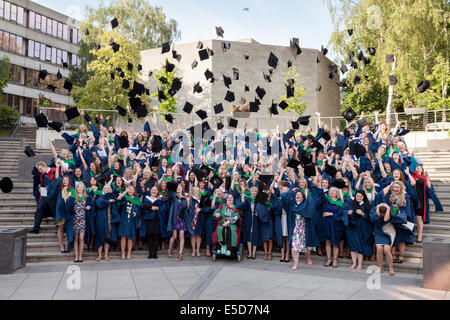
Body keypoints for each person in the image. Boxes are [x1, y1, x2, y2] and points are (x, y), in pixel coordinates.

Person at [346, 191, 374, 270]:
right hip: (352, 227)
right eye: (357, 196)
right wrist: (348, 213)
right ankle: (354, 263)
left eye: (360, 196)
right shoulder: (352, 203)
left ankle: (360, 264)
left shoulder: (367, 205)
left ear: (363, 197)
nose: (358, 198)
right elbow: (344, 212)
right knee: (353, 245)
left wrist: (363, 214)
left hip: (362, 227)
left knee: (360, 246)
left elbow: (371, 218)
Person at [141, 186, 166, 259]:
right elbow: (143, 206)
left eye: (155, 190)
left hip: (157, 219)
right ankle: (150, 252)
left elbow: (164, 207)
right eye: (153, 190)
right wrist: (151, 207)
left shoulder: (161, 199)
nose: (154, 191)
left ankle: (155, 253)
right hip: (148, 220)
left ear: (158, 191)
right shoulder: (146, 199)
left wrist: (157, 208)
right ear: (150, 191)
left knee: (156, 236)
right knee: (149, 236)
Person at [117, 186, 141, 260]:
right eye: (129, 189)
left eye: (132, 189)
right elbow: (118, 198)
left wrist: (135, 212)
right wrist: (125, 192)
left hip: (131, 220)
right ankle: (123, 252)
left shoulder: (136, 199)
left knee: (130, 237)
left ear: (134, 191)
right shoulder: (125, 197)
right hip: (124, 218)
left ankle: (129, 253)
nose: (130, 190)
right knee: (123, 236)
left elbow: (138, 208)